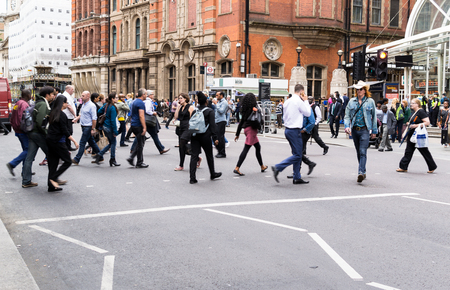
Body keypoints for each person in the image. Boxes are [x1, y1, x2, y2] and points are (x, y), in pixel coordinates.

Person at [271, 84, 311, 185]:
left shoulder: (287, 101)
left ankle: (297, 177)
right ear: (302, 92)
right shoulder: (298, 101)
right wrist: (306, 100)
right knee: (298, 155)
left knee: (296, 153)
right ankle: (278, 167)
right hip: (295, 130)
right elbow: (308, 113)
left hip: (287, 130)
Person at [344, 81, 378, 183]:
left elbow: (374, 117)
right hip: (355, 130)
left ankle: (360, 172)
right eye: (357, 89)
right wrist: (347, 127)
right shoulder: (351, 101)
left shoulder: (370, 101)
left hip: (365, 130)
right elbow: (347, 116)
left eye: (361, 89)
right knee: (359, 152)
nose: (359, 91)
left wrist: (374, 131)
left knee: (363, 151)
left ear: (365, 90)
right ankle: (363, 170)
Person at [22, 86, 56, 188]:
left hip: (32, 132)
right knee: (51, 155)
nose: (53, 96)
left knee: (29, 157)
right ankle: (54, 179)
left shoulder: (37, 102)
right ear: (47, 95)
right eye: (52, 94)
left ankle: (26, 181)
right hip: (38, 133)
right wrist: (46, 134)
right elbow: (41, 122)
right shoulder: (42, 104)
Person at [46, 95, 79, 192]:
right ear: (62, 103)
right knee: (68, 161)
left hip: (50, 140)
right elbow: (65, 131)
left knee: (53, 163)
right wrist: (74, 141)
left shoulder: (53, 113)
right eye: (66, 102)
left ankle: (51, 186)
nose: (67, 104)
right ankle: (54, 178)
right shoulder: (62, 115)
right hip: (58, 142)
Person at [397, 98, 437, 173]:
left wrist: (415, 125)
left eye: (413, 103)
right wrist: (409, 124)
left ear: (417, 104)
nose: (411, 104)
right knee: (408, 151)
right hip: (412, 134)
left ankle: (432, 166)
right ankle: (403, 166)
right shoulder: (414, 112)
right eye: (411, 103)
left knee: (424, 150)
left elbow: (427, 122)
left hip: (417, 134)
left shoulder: (421, 111)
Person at [189, 92, 222, 184]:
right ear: (206, 101)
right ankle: (212, 173)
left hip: (195, 135)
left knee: (194, 156)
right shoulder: (210, 111)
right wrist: (215, 138)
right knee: (209, 155)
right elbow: (212, 125)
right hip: (205, 135)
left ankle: (192, 177)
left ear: (198, 102)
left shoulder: (195, 111)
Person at [233, 93, 268, 176]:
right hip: (251, 130)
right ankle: (237, 167)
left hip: (247, 129)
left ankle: (262, 166)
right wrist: (260, 127)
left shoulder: (245, 109)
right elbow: (256, 120)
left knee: (258, 147)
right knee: (246, 149)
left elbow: (241, 122)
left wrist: (237, 134)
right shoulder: (254, 109)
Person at [71, 91, 101, 165]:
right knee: (92, 142)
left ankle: (77, 159)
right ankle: (100, 156)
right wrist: (76, 118)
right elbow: (81, 114)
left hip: (88, 126)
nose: (81, 97)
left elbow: (94, 119)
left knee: (82, 142)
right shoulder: (83, 105)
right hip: (83, 126)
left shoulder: (92, 106)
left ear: (88, 96)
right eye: (81, 95)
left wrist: (93, 129)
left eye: (83, 96)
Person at [6, 89, 31, 177]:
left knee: (26, 150)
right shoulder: (24, 104)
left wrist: (14, 126)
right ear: (28, 95)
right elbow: (24, 118)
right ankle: (13, 164)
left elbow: (12, 116)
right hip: (22, 131)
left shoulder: (17, 103)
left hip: (18, 130)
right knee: (28, 150)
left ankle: (25, 170)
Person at [94, 93, 121, 166]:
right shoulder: (112, 107)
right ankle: (112, 159)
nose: (117, 98)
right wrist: (115, 131)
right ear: (112, 99)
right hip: (109, 127)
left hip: (104, 126)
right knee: (113, 143)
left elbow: (99, 111)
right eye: (116, 97)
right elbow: (113, 121)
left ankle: (100, 155)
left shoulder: (106, 105)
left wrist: (104, 110)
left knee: (111, 143)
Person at [140, 90, 169, 155]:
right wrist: (154, 113)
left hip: (146, 120)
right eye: (152, 94)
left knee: (142, 134)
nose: (153, 95)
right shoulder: (148, 101)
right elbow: (147, 110)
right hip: (148, 120)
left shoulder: (146, 101)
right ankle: (161, 149)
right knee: (153, 135)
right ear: (149, 95)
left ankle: (161, 149)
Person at [126, 88, 148, 168]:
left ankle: (133, 159)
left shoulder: (134, 101)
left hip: (133, 124)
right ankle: (138, 161)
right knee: (140, 144)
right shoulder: (140, 103)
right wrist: (144, 127)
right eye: (146, 94)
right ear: (143, 94)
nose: (146, 96)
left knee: (140, 142)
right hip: (139, 125)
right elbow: (141, 115)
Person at [174, 93, 194, 171]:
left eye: (181, 98)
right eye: (179, 98)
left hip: (188, 128)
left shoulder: (190, 107)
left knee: (182, 142)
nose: (179, 99)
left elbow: (192, 118)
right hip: (181, 128)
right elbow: (176, 117)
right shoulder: (181, 107)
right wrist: (178, 107)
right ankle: (196, 157)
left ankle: (181, 165)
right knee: (182, 147)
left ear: (185, 99)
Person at [62, 85, 77, 151]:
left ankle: (67, 145)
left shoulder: (68, 96)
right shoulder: (66, 96)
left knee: (69, 131)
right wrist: (74, 115)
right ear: (69, 89)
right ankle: (67, 146)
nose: (73, 91)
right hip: (67, 116)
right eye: (72, 90)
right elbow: (69, 106)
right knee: (68, 131)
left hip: (68, 116)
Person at [214, 91, 228, 158]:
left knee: (221, 137)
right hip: (217, 121)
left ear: (221, 95)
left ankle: (222, 152)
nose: (216, 96)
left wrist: (216, 104)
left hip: (221, 121)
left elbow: (221, 111)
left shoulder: (224, 102)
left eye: (217, 95)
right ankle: (219, 151)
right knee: (216, 137)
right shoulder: (219, 102)